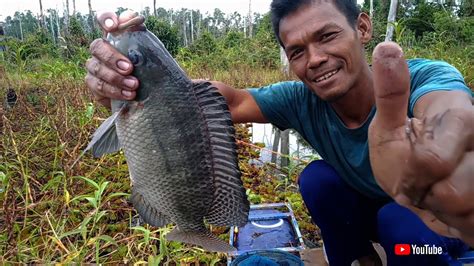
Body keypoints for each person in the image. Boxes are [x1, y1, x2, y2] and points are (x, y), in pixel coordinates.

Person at [84, 1, 474, 265]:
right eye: (298, 51)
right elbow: (223, 101)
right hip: (372, 208)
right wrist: (132, 90)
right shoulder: (300, 99)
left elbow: (449, 107)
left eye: (327, 36)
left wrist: (446, 139)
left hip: (437, 221)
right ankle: (361, 260)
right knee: (318, 180)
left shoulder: (422, 76)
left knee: (399, 224)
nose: (315, 59)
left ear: (363, 27)